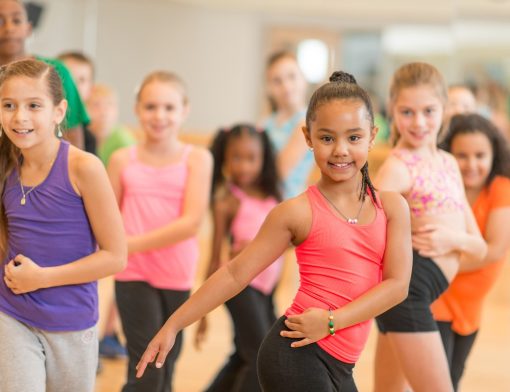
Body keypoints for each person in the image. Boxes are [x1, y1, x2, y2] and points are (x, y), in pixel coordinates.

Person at [136, 71, 412, 392]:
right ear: (308, 137)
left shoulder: (392, 207)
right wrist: (174, 325)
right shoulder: (295, 212)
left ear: (372, 135)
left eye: (353, 137)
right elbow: (235, 273)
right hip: (296, 353)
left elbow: (397, 286)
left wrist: (332, 321)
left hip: (339, 359)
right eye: (326, 138)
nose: (340, 150)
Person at [0, 59, 126, 391]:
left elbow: (116, 256)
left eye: (33, 106)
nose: (19, 117)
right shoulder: (5, 166)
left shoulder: (84, 168)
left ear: (59, 111)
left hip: (71, 323)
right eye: (8, 105)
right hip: (11, 314)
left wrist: (42, 277)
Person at [372, 62, 487, 392]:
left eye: (428, 110)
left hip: (417, 291)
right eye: (407, 112)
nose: (419, 122)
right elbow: (360, 230)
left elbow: (479, 246)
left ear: (444, 108)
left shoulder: (450, 163)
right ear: (392, 111)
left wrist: (451, 238)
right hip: (409, 294)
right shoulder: (397, 167)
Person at [107, 70, 213, 392]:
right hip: (133, 274)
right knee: (146, 367)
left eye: (169, 107)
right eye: (151, 107)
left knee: (166, 367)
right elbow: (109, 218)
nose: (159, 116)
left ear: (184, 110)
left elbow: (191, 222)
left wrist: (130, 244)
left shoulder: (198, 158)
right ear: (138, 110)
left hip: (176, 274)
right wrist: (119, 250)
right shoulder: (122, 159)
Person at [195, 124, 283, 392]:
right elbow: (214, 257)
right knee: (260, 354)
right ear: (224, 159)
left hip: (266, 288)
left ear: (263, 159)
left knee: (245, 353)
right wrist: (202, 313)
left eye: (251, 158)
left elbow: (286, 240)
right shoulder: (227, 201)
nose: (244, 166)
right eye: (236, 158)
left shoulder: (272, 196)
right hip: (240, 287)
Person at [431, 113, 510, 391]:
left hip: (470, 306)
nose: (472, 164)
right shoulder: (441, 188)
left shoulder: (501, 188)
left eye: (480, 155)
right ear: (448, 155)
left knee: (454, 375)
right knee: (437, 381)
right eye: (462, 155)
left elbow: (494, 250)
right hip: (437, 297)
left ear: (494, 154)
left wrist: (443, 263)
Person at [0, 0, 90, 150]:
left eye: (16, 20)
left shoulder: (55, 71)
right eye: (0, 21)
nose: (9, 28)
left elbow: (73, 134)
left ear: (28, 27)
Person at [263, 51, 314, 199]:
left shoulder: (306, 123)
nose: (286, 86)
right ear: (269, 89)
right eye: (277, 81)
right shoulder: (266, 123)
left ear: (304, 80)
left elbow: (279, 172)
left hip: (287, 201)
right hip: (263, 196)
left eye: (292, 77)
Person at [58, 51, 98, 154]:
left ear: (91, 89)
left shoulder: (89, 138)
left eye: (82, 80)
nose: (73, 85)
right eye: (67, 78)